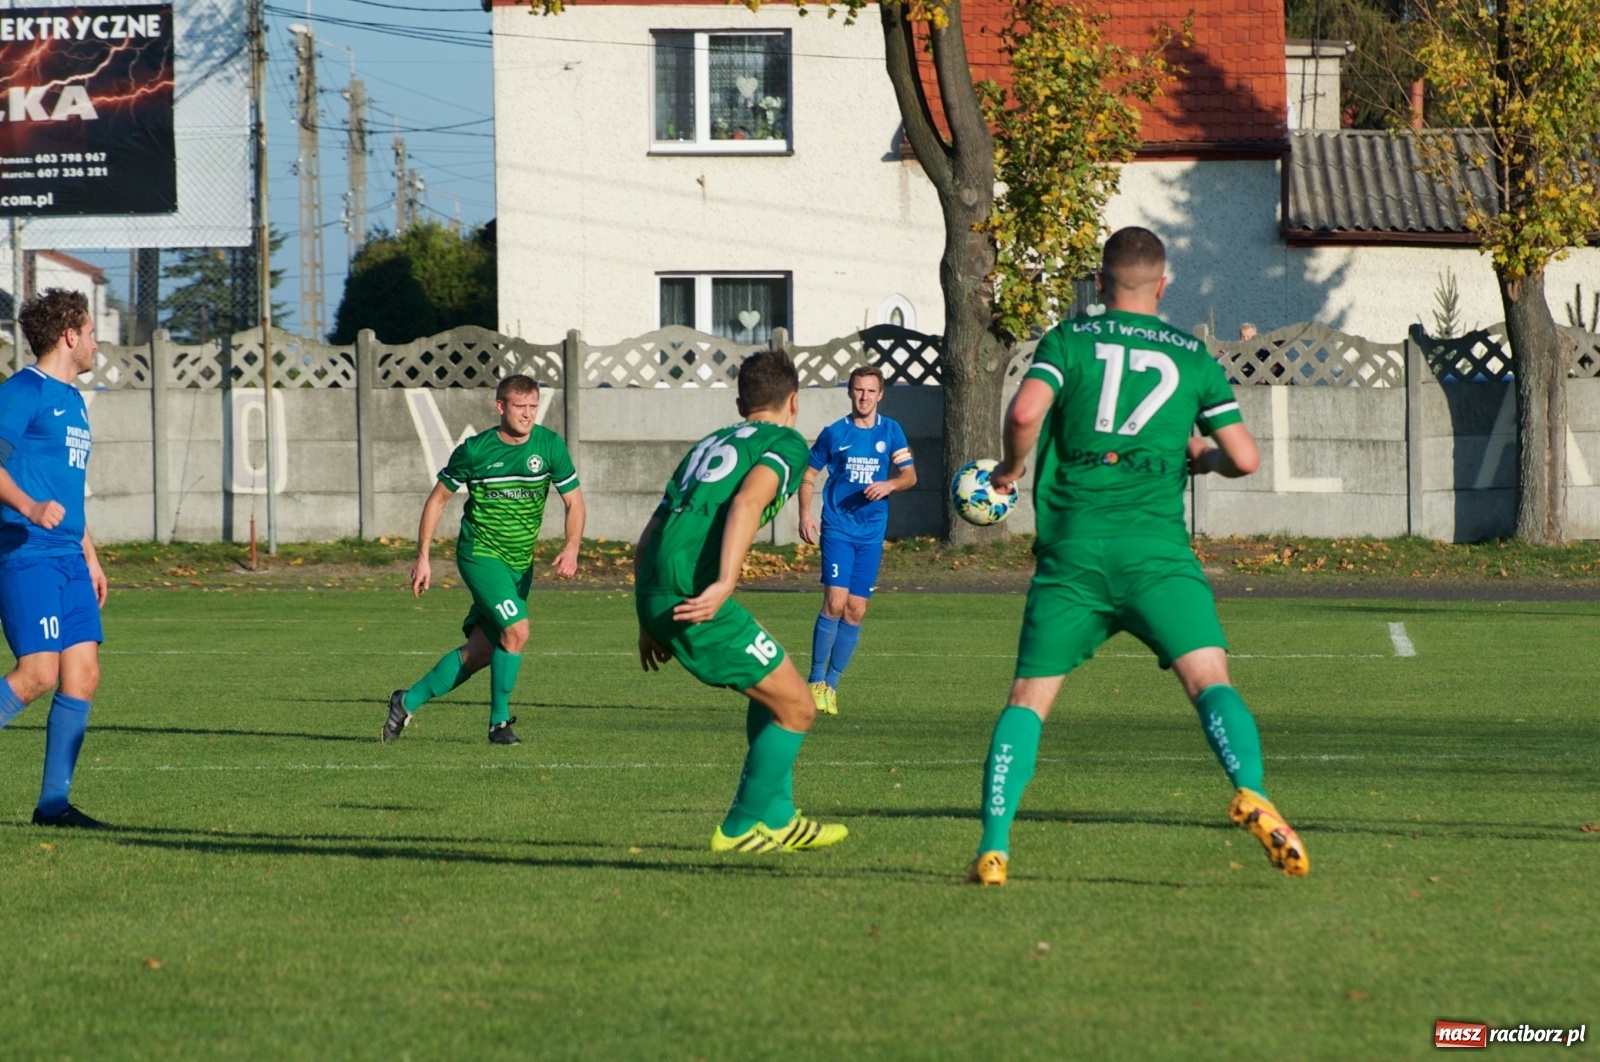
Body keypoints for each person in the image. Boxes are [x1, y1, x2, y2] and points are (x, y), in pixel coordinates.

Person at [967, 227, 1309, 886]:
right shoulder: (1192, 356)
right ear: (1164, 284)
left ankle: (996, 845)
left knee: (1027, 701)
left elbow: (1024, 411)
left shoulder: (1068, 341)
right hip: (1157, 553)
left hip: (1075, 555)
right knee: (1211, 681)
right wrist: (1199, 456)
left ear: (1100, 283)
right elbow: (1243, 458)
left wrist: (1011, 471)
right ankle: (1253, 793)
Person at [634, 349, 848, 854]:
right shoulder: (785, 442)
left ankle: (780, 817)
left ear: (739, 403)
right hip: (697, 594)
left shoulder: (709, 443)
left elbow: (651, 532)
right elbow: (750, 500)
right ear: (794, 401)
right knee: (799, 707)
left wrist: (647, 617)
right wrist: (727, 581)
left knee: (776, 684)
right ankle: (740, 826)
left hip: (658, 591)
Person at [382, 374, 585, 745]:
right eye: (520, 407)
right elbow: (438, 499)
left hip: (520, 564)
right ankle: (499, 724)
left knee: (481, 652)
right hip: (480, 556)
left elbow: (574, 501)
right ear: (500, 406)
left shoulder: (550, 445)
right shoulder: (475, 451)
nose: (528, 414)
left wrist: (571, 548)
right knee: (517, 631)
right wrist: (423, 557)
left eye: (533, 406)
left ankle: (405, 702)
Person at [0, 288, 109, 828]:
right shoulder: (23, 391)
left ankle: (53, 806)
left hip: (68, 556)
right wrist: (27, 504)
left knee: (82, 675)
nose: (94, 342)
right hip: (27, 554)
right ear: (69, 336)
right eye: (90, 332)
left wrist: (90, 555)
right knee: (38, 673)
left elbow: (69, 488)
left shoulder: (76, 402)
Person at [797, 365, 916, 715]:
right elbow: (808, 476)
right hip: (837, 526)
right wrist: (805, 515)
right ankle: (814, 679)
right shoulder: (834, 433)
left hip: (872, 531)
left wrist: (890, 484)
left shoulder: (891, 431)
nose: (863, 396)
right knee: (835, 601)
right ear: (850, 392)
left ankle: (831, 685)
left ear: (880, 395)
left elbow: (909, 475)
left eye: (870, 391)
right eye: (858, 390)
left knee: (856, 609)